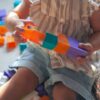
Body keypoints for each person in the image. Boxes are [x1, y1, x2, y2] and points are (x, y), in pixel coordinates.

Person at [0, 0, 100, 100]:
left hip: (74, 58)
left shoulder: (88, 4)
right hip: (39, 52)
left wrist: (91, 45)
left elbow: (98, 32)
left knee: (63, 93)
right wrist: (16, 24)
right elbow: (13, 15)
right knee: (19, 82)